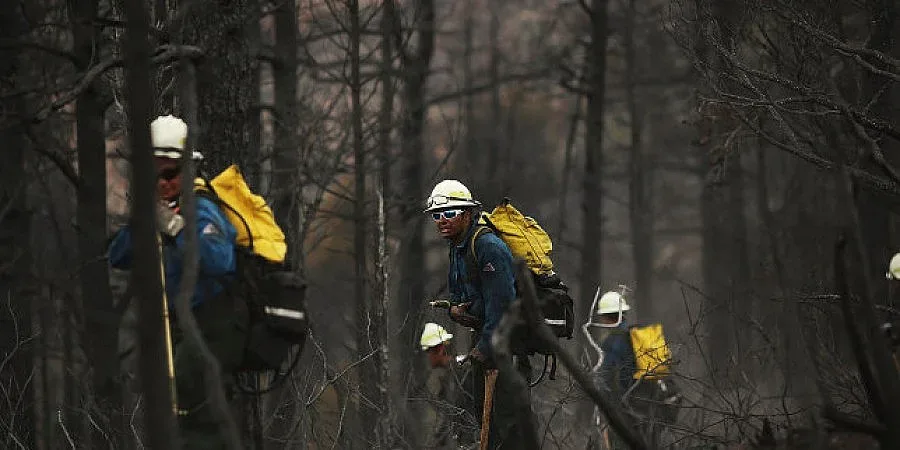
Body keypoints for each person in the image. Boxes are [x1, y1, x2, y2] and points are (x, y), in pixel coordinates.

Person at [109, 115, 247, 449]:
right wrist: (144, 222)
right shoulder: (160, 210)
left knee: (192, 402)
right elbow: (119, 255)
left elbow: (219, 260)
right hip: (183, 328)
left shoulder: (201, 210)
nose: (163, 183)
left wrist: (175, 228)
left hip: (214, 325)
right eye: (154, 175)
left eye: (170, 173)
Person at [424, 179, 530, 449]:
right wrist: (458, 309)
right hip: (486, 340)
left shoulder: (488, 247)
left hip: (506, 345)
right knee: (484, 417)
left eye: (449, 213)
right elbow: (468, 296)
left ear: (468, 213)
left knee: (506, 423)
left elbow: (503, 303)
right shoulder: (458, 247)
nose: (441, 221)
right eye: (437, 215)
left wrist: (486, 346)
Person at [592, 289, 680, 449]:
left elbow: (608, 380)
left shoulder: (612, 342)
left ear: (605, 317)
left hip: (628, 410)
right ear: (623, 313)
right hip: (650, 405)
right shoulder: (637, 336)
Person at [419, 322, 477, 449]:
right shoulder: (445, 375)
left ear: (439, 350)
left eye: (428, 352)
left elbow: (462, 412)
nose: (427, 357)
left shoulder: (462, 374)